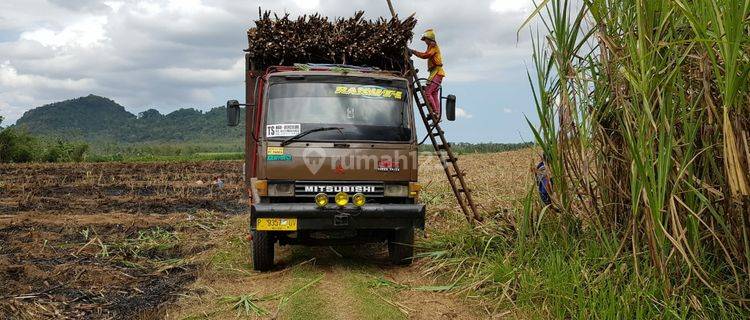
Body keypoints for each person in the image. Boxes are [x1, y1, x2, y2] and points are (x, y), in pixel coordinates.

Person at [410, 29, 445, 121]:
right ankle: (437, 113)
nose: (425, 41)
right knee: (433, 93)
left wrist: (413, 52)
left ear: (429, 39)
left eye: (425, 39)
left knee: (428, 92)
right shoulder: (430, 46)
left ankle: (435, 113)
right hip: (435, 72)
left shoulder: (433, 46)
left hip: (437, 72)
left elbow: (426, 55)